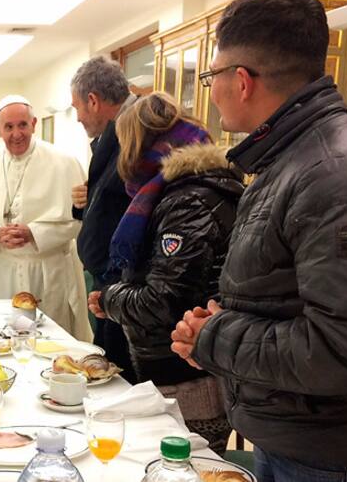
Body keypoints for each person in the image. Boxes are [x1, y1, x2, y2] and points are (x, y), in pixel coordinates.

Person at [169, 0, 347, 478]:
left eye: (211, 75)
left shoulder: (340, 173)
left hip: (337, 457)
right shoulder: (293, 160)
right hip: (301, 437)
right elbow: (289, 298)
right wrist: (222, 324)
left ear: (241, 81)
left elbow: (346, 349)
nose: (210, 90)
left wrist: (214, 337)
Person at [88, 92, 241, 453]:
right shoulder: (190, 190)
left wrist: (110, 299)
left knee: (183, 467)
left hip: (188, 375)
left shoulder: (186, 201)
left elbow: (164, 301)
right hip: (187, 365)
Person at [0, 95, 92, 341]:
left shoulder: (64, 162)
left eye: (22, 125)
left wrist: (35, 233)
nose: (16, 133)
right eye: (8, 127)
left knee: (51, 340)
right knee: (4, 339)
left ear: (34, 124)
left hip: (48, 269)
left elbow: (79, 221)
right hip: (3, 268)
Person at [70, 56, 138, 383]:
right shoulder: (115, 135)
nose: (78, 117)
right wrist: (87, 202)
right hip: (112, 287)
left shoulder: (138, 133)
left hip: (128, 288)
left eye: (77, 108)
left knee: (123, 387)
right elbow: (114, 200)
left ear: (93, 101)